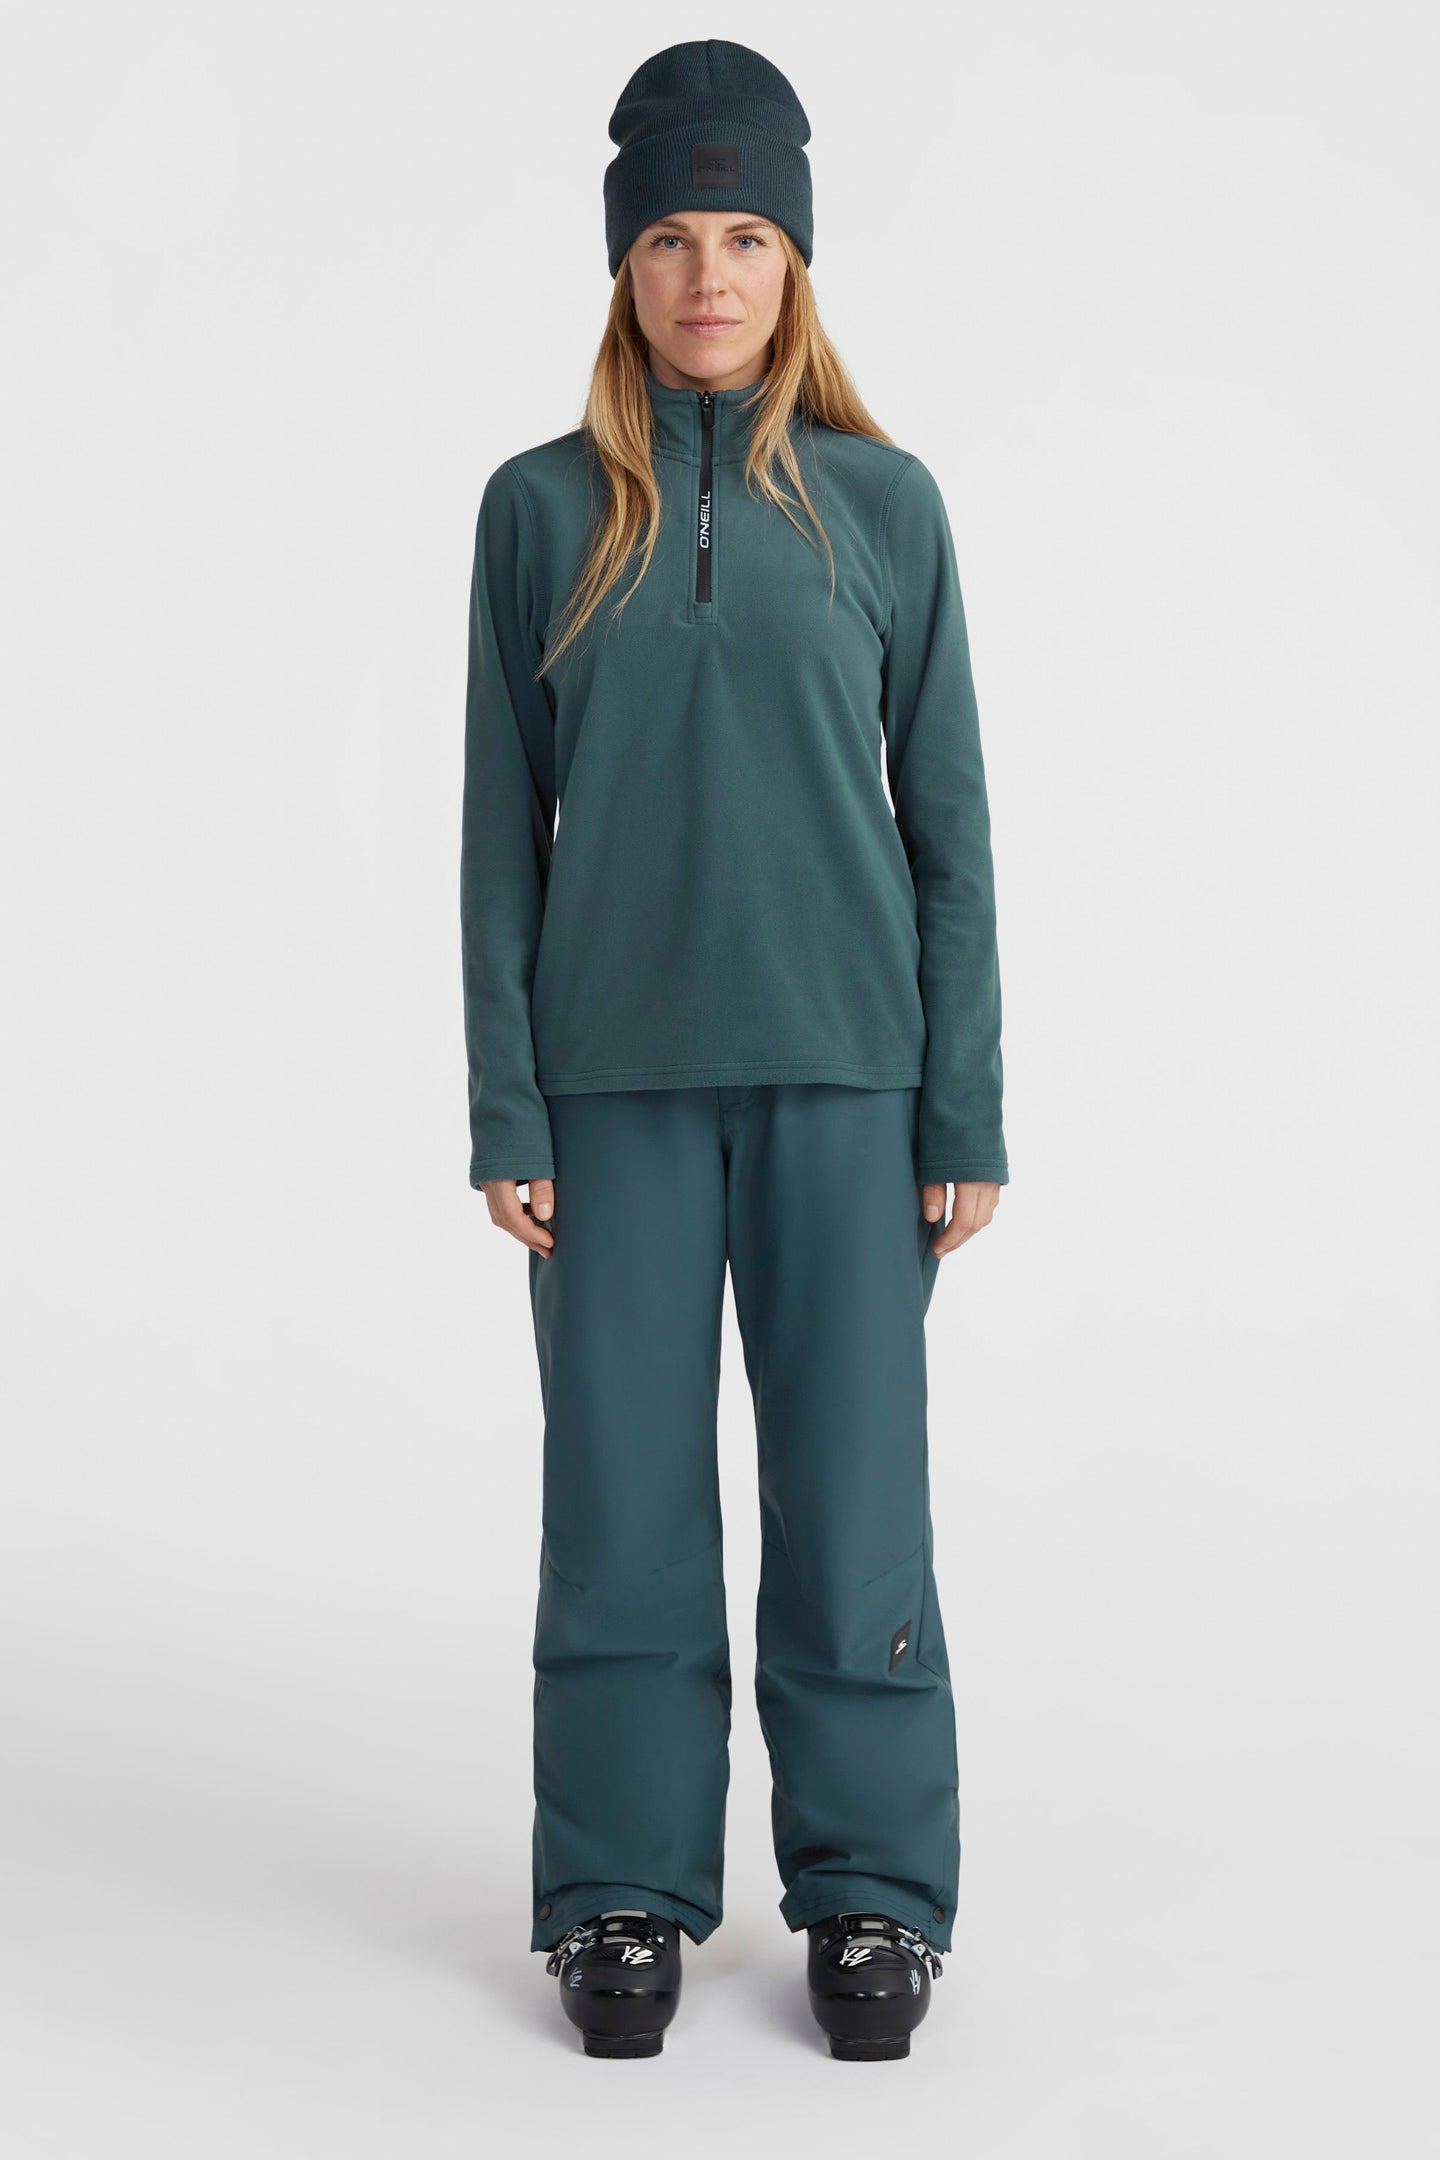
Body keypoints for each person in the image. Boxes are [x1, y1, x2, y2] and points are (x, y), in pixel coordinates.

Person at [460, 39, 1008, 2062]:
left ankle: (872, 1892)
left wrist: (965, 1108)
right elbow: (497, 829)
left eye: (748, 237)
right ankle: (617, 1886)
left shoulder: (886, 504)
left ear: (798, 262)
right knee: (618, 1504)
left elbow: (950, 825)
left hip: (850, 1081)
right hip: (606, 1088)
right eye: (674, 238)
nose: (710, 276)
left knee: (856, 1500)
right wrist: (504, 1100)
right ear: (625, 264)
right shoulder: (539, 511)